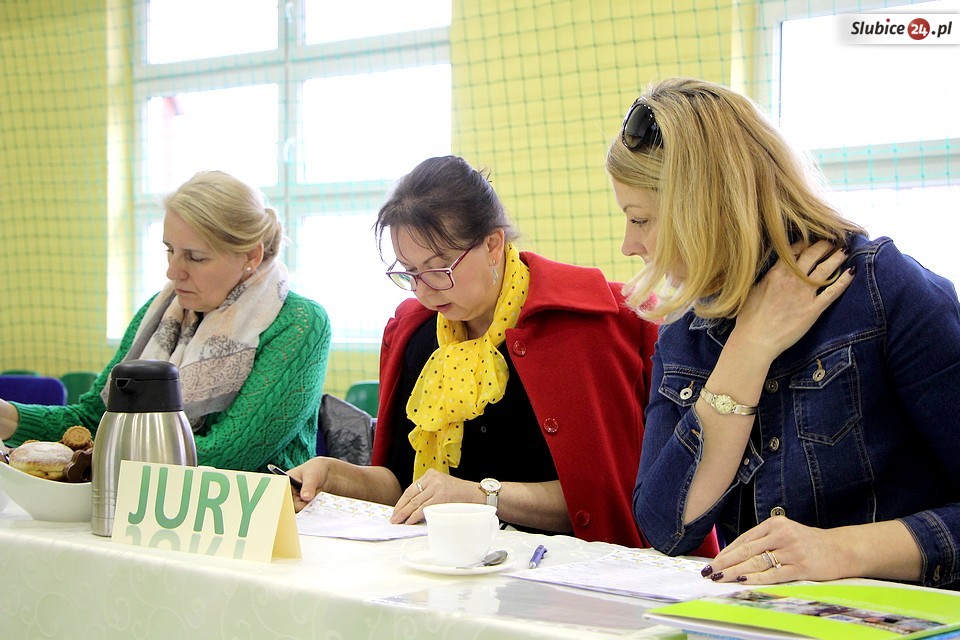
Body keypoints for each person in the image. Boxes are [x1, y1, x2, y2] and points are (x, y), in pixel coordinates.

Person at [607, 77, 960, 587]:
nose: (628, 245)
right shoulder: (685, 334)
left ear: (705, 211)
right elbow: (666, 528)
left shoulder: (883, 289)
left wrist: (843, 551)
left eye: (640, 219)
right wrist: (750, 346)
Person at [290, 155, 719, 553]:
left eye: (439, 268)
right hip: (445, 561)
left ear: (493, 244)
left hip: (570, 573)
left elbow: (612, 501)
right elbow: (406, 486)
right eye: (410, 272)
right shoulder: (414, 333)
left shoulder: (594, 325)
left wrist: (482, 495)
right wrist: (334, 475)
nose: (424, 290)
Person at [0, 171, 331, 472]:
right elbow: (94, 419)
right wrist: (6, 417)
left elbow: (228, 454)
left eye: (195, 257)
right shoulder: (159, 313)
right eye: (169, 250)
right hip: (149, 504)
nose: (173, 272)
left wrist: (105, 452)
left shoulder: (299, 323)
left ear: (251, 256)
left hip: (264, 512)